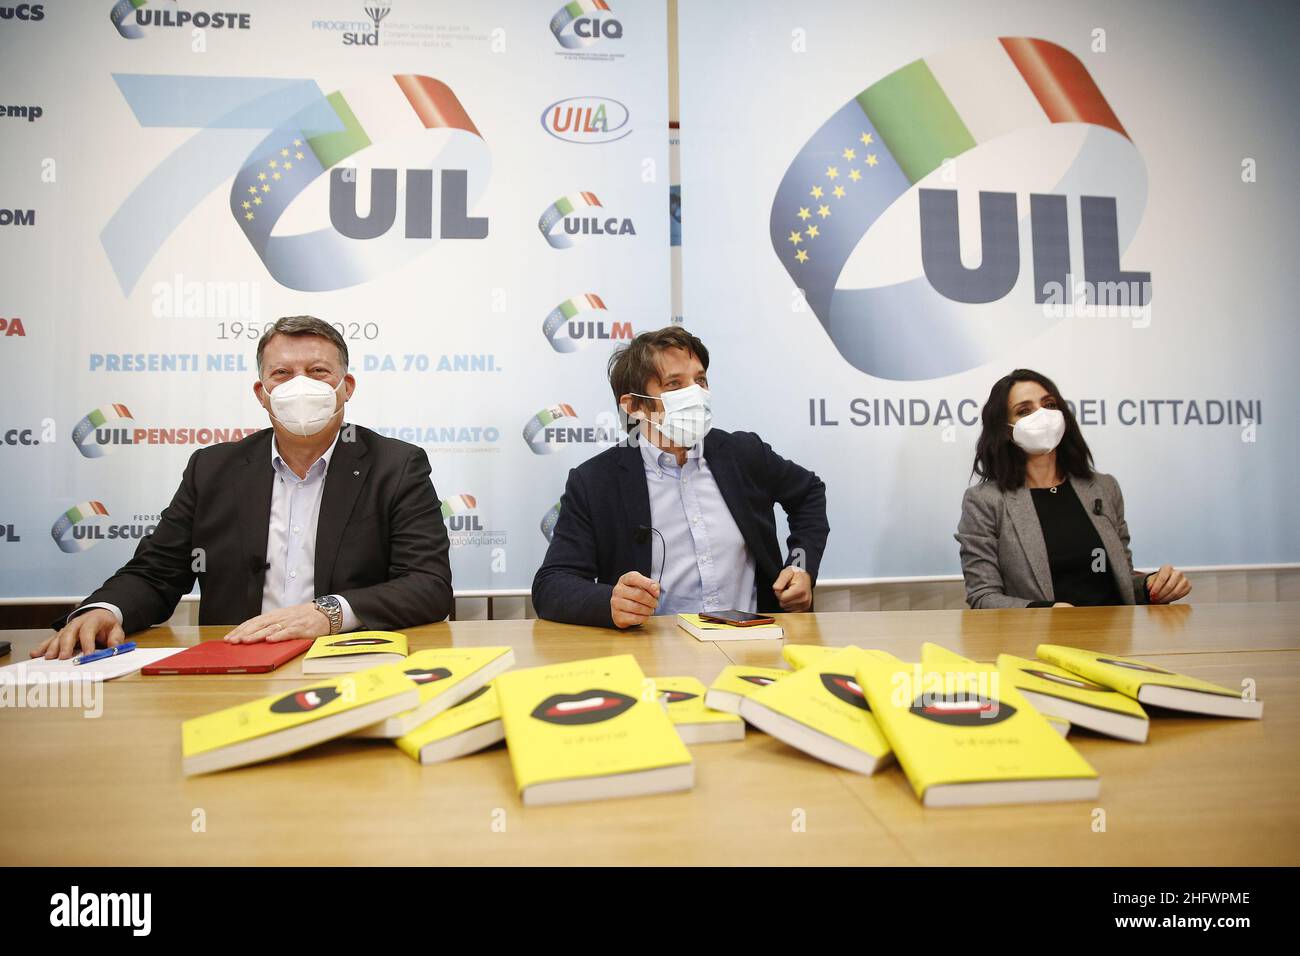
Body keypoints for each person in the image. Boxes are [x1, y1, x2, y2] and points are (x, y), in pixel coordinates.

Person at [35, 315, 453, 659]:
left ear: (347, 388)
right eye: (283, 374)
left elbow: (428, 585)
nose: (300, 386)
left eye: (318, 372)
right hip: (236, 660)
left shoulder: (395, 466)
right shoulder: (213, 468)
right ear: (262, 393)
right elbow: (156, 572)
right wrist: (105, 610)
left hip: (351, 658)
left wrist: (330, 614)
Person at [532, 326, 829, 629]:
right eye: (675, 384)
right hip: (655, 655)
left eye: (700, 380)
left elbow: (809, 494)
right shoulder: (596, 482)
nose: (695, 395)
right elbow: (552, 585)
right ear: (633, 406)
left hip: (754, 644)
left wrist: (800, 566)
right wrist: (610, 602)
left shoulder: (743, 454)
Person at [956, 368, 1191, 609]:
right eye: (1024, 411)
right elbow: (983, 597)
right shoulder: (985, 501)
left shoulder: (1103, 487)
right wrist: (1047, 612)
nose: (1043, 415)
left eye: (1049, 405)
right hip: (1041, 642)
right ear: (1005, 430)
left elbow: (1120, 580)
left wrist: (1152, 587)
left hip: (1116, 640)